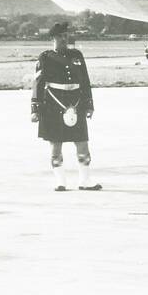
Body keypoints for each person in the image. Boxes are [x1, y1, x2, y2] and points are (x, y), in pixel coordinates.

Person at [31, 21, 100, 190]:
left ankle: (85, 181)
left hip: (76, 104)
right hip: (53, 105)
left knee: (82, 143)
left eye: (66, 36)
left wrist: (89, 104)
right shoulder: (45, 57)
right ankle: (60, 181)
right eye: (60, 36)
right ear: (53, 38)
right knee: (56, 145)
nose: (64, 39)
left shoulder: (77, 55)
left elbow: (85, 81)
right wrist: (35, 108)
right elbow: (38, 84)